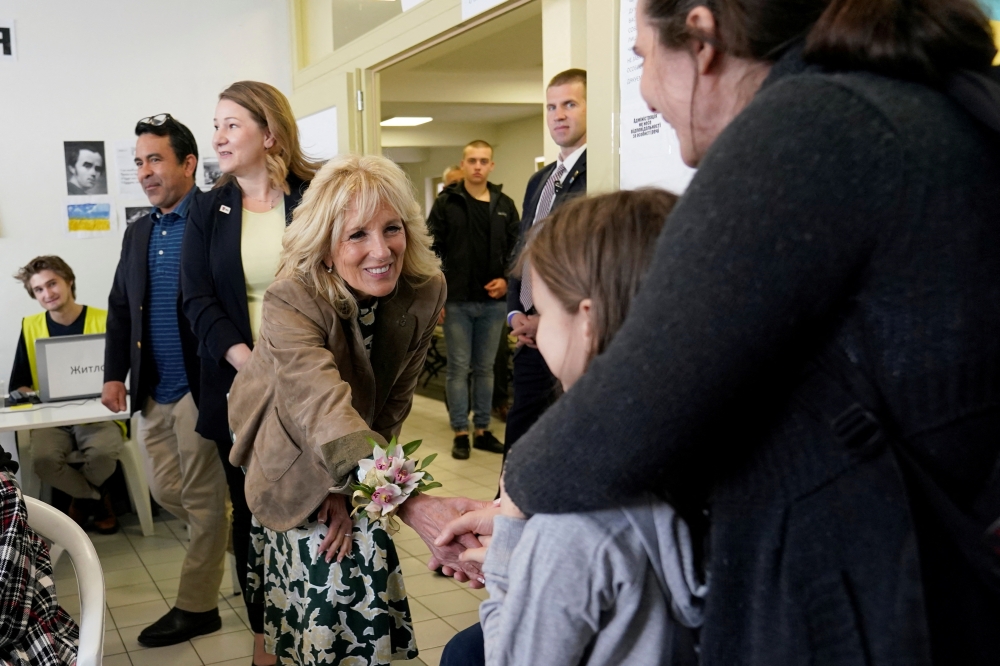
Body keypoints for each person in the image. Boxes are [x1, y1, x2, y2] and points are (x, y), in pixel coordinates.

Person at [503, 0, 1000, 664]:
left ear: (702, 40)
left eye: (643, 59)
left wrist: (516, 499)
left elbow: (632, 409)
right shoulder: (915, 105)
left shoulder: (807, 127)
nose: (646, 89)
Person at [227, 154, 447, 664]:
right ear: (325, 247)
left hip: (359, 460)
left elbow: (393, 400)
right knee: (301, 608)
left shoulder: (424, 290)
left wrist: (353, 488)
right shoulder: (292, 297)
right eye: (356, 236)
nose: (381, 250)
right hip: (291, 453)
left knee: (359, 581)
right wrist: (386, 495)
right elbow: (319, 404)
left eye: (392, 229)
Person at [474, 190, 704, 666]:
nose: (533, 325)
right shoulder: (702, 441)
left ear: (586, 321)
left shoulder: (571, 523)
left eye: (543, 308)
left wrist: (512, 547)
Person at [181, 80, 322, 666]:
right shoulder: (206, 207)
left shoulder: (318, 196)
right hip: (242, 389)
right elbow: (197, 299)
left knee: (321, 503)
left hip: (314, 381)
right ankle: (266, 636)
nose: (218, 136)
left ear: (270, 132)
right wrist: (248, 363)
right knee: (253, 513)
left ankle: (323, 623)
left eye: (232, 123)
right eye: (216, 124)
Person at [103, 114, 230, 647]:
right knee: (165, 491)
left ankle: (197, 606)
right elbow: (118, 308)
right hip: (154, 389)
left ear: (188, 164)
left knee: (201, 503)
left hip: (203, 387)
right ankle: (237, 534)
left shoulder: (217, 218)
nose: (145, 171)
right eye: (138, 162)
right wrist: (114, 375)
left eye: (155, 159)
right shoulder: (138, 232)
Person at [504, 68, 587, 457]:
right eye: (551, 106)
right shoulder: (540, 180)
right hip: (528, 337)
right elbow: (522, 250)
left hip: (569, 335)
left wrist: (551, 319)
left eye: (570, 104)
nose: (558, 114)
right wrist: (515, 313)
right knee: (520, 439)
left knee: (559, 443)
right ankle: (504, 515)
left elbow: (588, 265)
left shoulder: (598, 175)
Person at [8, 256, 123, 534]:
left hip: (98, 413)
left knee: (104, 454)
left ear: (69, 281)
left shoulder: (104, 319)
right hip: (51, 419)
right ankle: (96, 498)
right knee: (43, 461)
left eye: (52, 284)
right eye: (38, 290)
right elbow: (19, 384)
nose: (47, 294)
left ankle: (79, 501)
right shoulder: (30, 325)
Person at [427, 140, 519, 459]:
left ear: (492, 166)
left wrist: (507, 280)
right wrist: (435, 298)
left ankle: (482, 429)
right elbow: (431, 252)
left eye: (484, 161)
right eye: (472, 160)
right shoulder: (446, 203)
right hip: (456, 302)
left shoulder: (504, 203)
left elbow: (517, 249)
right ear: (463, 165)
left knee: (485, 369)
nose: (478, 166)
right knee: (459, 368)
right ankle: (460, 432)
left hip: (494, 303)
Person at [0, 450, 78, 666]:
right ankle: (90, 498)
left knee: (102, 454)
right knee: (45, 457)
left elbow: (6, 622)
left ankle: (89, 498)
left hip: (20, 634)